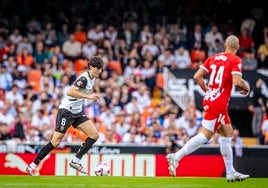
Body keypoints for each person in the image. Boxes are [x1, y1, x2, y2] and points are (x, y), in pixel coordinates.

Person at [166, 35, 250, 182]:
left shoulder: (213, 58)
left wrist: (208, 91)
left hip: (211, 99)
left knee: (227, 133)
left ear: (225, 45)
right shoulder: (235, 60)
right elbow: (237, 81)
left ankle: (230, 172)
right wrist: (247, 87)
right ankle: (176, 156)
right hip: (219, 102)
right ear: (237, 48)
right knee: (206, 136)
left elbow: (197, 76)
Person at [26, 56, 104, 176]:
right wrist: (88, 97)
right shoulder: (84, 78)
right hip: (66, 111)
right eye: (97, 68)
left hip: (77, 112)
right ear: (91, 67)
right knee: (56, 141)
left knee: (94, 135)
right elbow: (70, 92)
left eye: (101, 68)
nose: (99, 71)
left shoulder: (92, 78)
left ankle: (76, 161)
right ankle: (33, 165)